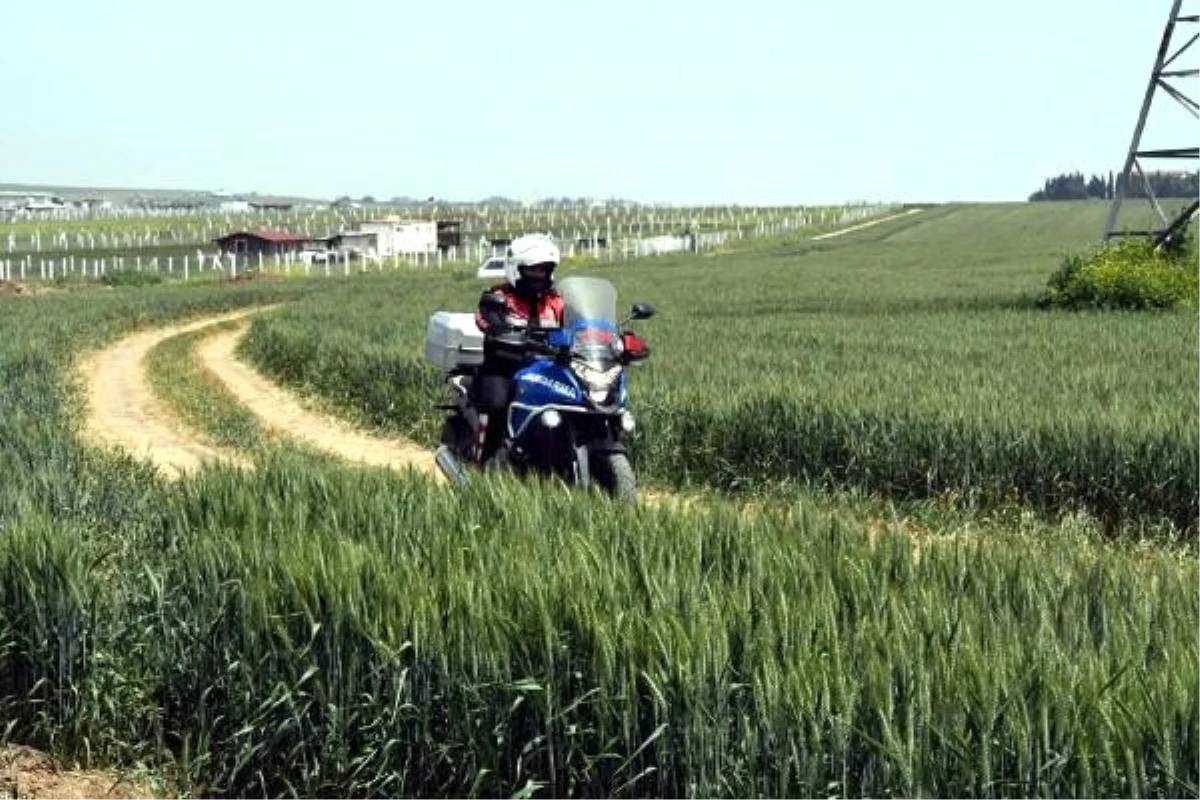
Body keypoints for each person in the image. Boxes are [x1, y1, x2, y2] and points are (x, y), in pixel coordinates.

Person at [471, 233, 566, 464]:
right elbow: (487, 319)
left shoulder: (556, 302)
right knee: (497, 404)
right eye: (532, 270)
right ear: (516, 269)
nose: (539, 275)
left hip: (545, 370)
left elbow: (578, 326)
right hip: (504, 366)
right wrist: (501, 330)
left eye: (543, 270)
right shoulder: (498, 297)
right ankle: (481, 463)